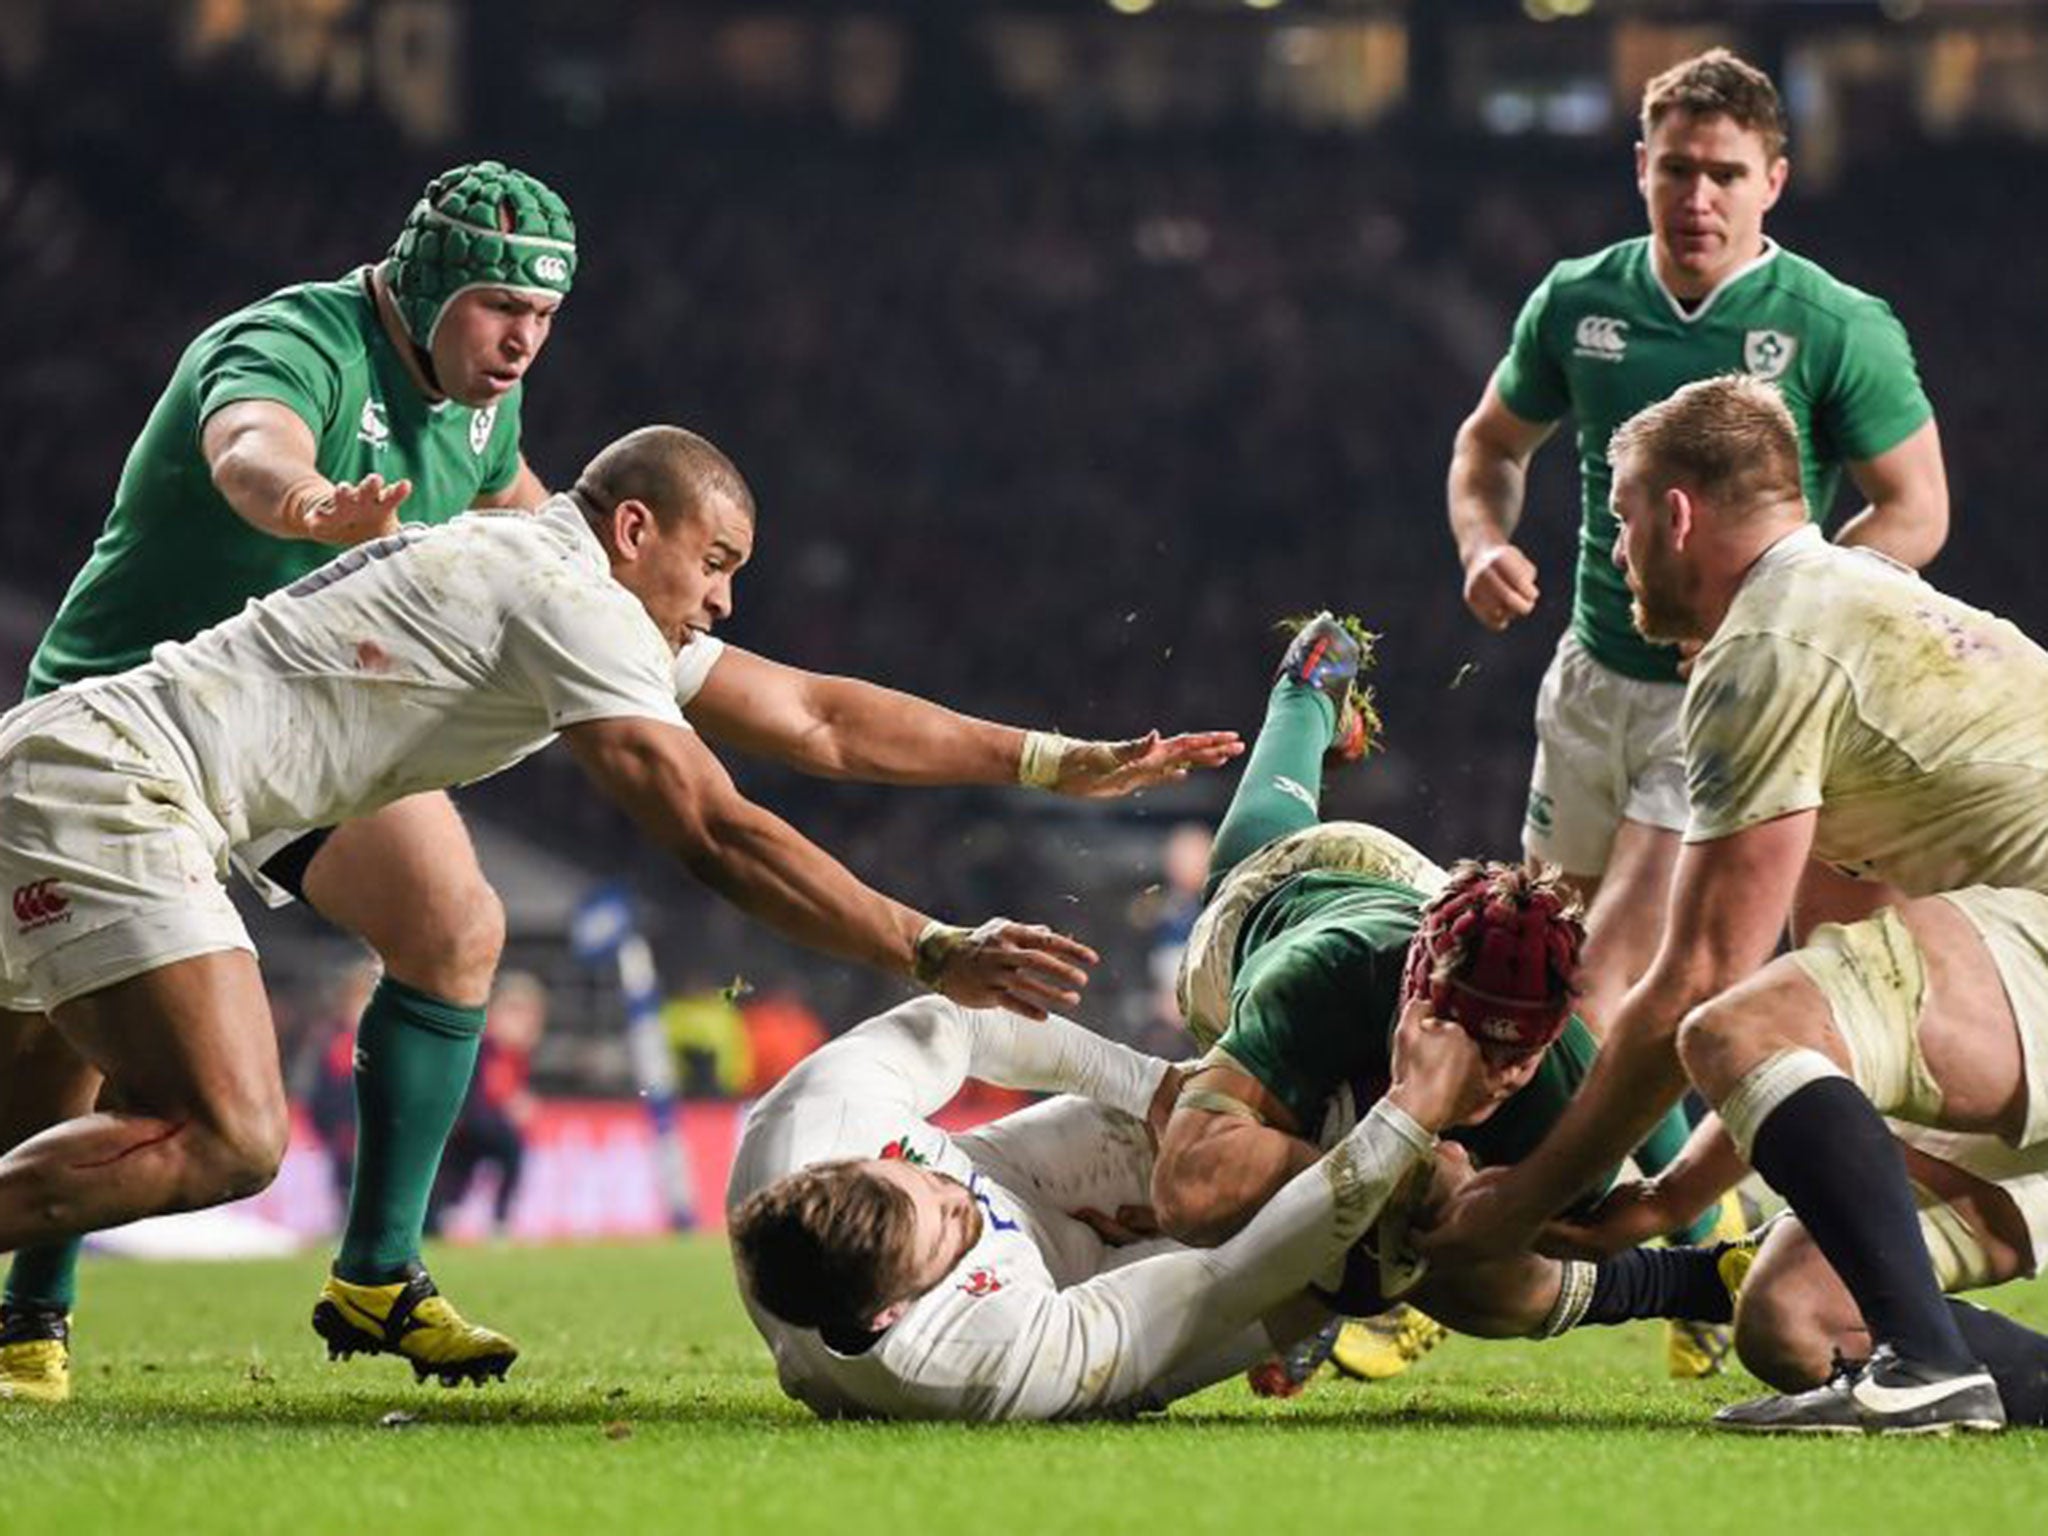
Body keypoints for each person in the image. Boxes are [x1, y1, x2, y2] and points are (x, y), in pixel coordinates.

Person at [0, 426, 1127, 1391]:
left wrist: (1040, 757)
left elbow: (813, 715)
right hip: (120, 791)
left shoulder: (541, 571)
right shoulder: (574, 602)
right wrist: (925, 946)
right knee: (232, 1137)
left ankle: (353, 1274)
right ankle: (354, 1272)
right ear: (635, 529)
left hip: (78, 766)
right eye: (716, 563)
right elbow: (715, 832)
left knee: (47, 1121)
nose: (725, 599)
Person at [0, 158, 580, 1400]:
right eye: (498, 308)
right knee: (66, 1049)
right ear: (424, 287)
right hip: (123, 727)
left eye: (542, 317)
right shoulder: (293, 339)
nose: (523, 340)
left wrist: (658, 605)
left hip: (296, 737)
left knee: (455, 926)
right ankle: (31, 1309)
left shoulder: (485, 408)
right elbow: (248, 450)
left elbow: (543, 537)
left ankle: (377, 1275)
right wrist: (313, 506)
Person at [1424, 374, 2048, 1436]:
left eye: (1618, 519)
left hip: (2027, 965)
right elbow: (1814, 1037)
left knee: (1725, 1018)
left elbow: (1701, 992)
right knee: (1796, 1320)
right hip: (2008, 982)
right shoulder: (1848, 606)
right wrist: (1666, 1199)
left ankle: (1926, 1369)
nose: (1613, 554)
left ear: (1675, 513)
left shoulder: (1767, 644)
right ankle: (1921, 1357)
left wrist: (1522, 1201)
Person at [1446, 48, 1948, 1050]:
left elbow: (1914, 509)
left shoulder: (1833, 326)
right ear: (1640, 167)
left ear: (1772, 181)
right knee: (1542, 969)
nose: (1697, 196)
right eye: (1676, 168)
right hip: (1590, 677)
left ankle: (1619, 1206)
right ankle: (1668, 1205)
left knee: (1609, 979)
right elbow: (1487, 446)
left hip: (1720, 702)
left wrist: (1775, 619)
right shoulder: (1578, 299)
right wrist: (1479, 541)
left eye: (1723, 173)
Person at [1151, 615, 1724, 1386]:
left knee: (1486, 1270)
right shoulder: (1319, 976)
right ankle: (1307, 696)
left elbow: (1529, 1264)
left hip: (1425, 895)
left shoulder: (1563, 1076)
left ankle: (1707, 1263)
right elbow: (1189, 1190)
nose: (1481, 1074)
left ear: (1544, 1041)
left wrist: (1672, 1245)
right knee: (1238, 881)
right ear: (1417, 998)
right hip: (1292, 895)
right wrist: (1400, 1186)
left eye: (1508, 1059)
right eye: (1457, 1038)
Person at [424, 971, 549, 1239]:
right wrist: (514, 1104)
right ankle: (496, 1219)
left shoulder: (511, 1052)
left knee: (460, 1169)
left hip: (464, 1123)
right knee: (507, 1149)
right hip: (465, 1120)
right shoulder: (484, 1045)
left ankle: (450, 1218)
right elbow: (491, 1089)